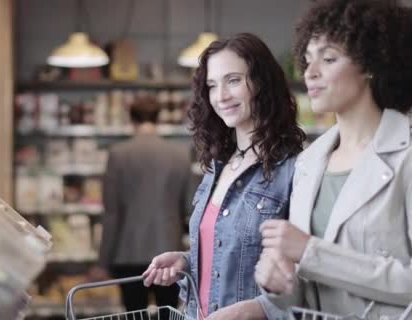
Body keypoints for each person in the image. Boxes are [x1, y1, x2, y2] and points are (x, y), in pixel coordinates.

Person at [254, 1, 412, 319]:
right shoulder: (309, 162)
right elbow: (305, 293)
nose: (310, 72)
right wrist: (277, 282)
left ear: (370, 63)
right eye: (308, 60)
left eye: (328, 58)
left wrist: (310, 251)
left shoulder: (406, 154)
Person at [141, 33, 306, 319]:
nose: (221, 97)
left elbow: (308, 279)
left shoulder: (294, 169)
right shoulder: (217, 168)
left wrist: (258, 310)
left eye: (233, 80)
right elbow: (229, 256)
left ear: (262, 83)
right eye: (212, 86)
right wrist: (186, 263)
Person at [88, 96, 191, 318]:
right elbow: (190, 208)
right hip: (169, 251)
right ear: (159, 118)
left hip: (128, 253)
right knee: (169, 313)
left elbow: (112, 213)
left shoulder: (118, 154)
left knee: (134, 314)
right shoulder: (180, 155)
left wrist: (102, 261)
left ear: (131, 119)